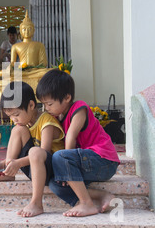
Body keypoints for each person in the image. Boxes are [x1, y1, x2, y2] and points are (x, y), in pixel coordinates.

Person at [36, 69, 120, 217]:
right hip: (86, 164)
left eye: (49, 104)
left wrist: (63, 163)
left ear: (67, 97)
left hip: (104, 161)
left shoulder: (79, 108)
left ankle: (86, 203)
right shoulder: (58, 118)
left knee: (60, 157)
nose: (46, 109)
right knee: (55, 184)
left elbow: (70, 138)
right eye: (44, 105)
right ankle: (101, 196)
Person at [0, 81, 65, 217]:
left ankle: (36, 203)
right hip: (35, 169)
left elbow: (43, 153)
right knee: (18, 130)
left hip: (53, 171)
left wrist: (19, 163)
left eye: (16, 114)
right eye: (10, 116)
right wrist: (6, 163)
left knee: (36, 151)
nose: (14, 119)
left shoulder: (46, 122)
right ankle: (8, 173)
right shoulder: (25, 123)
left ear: (31, 105)